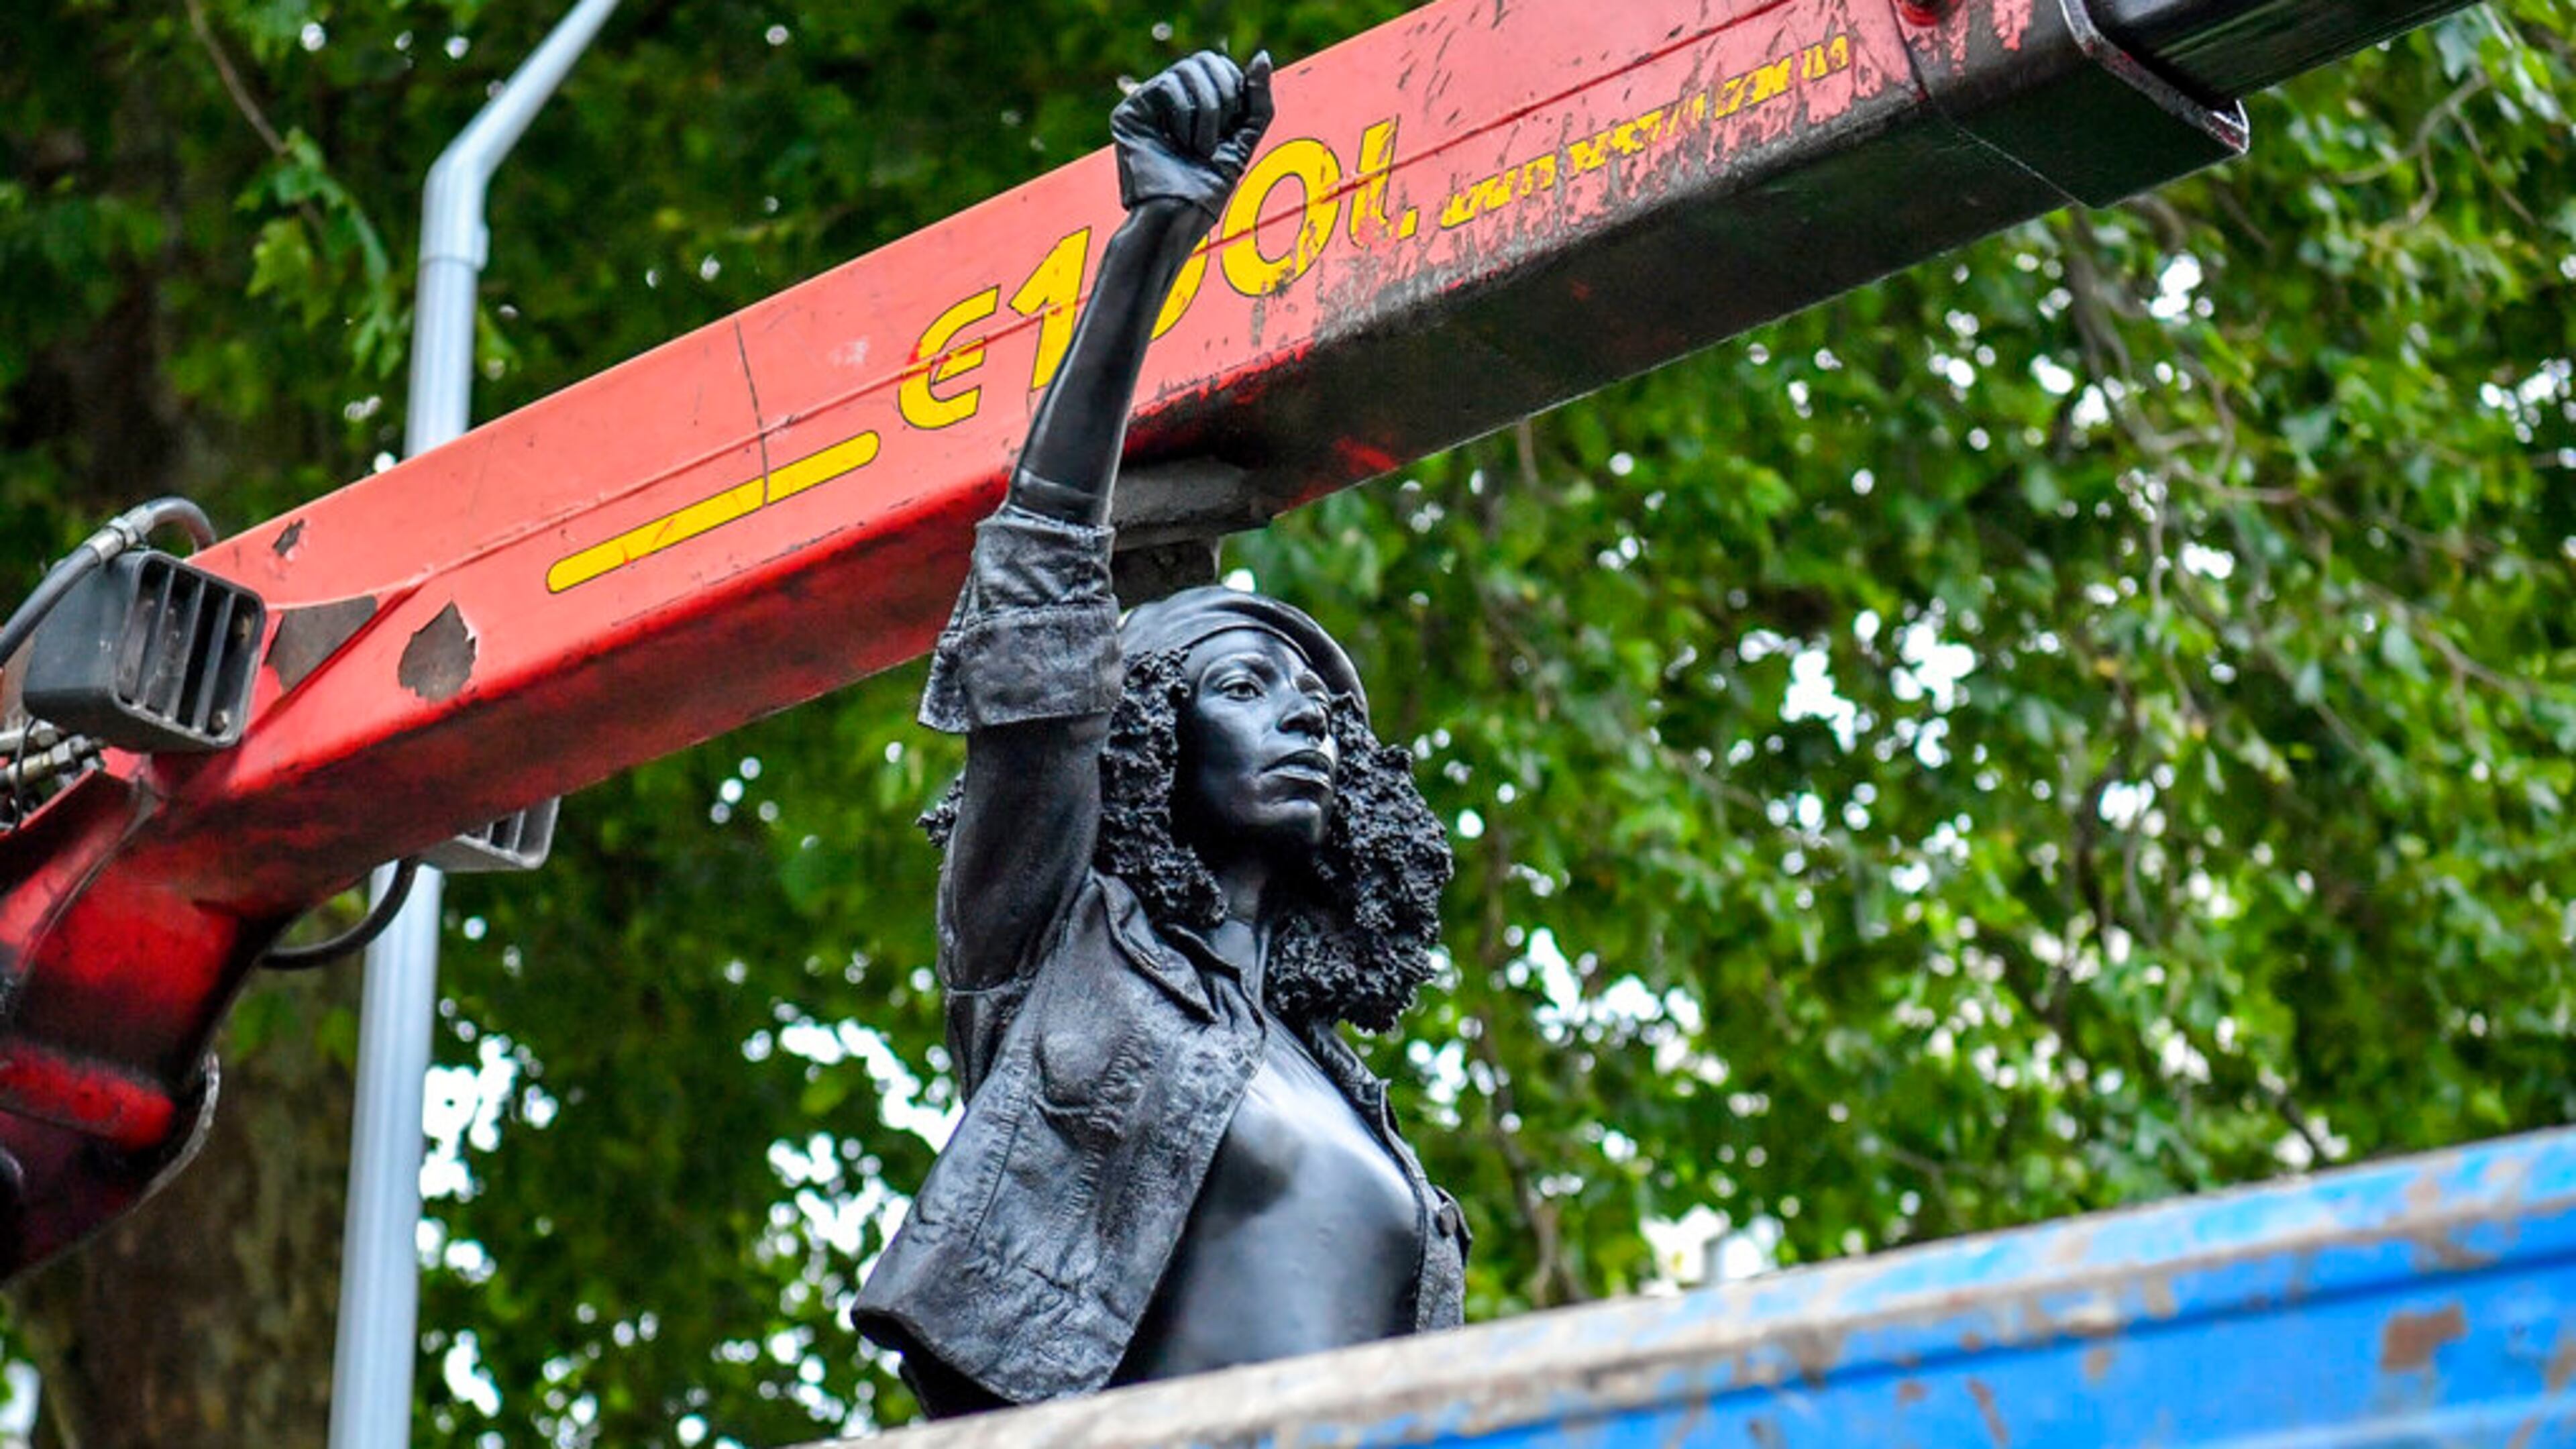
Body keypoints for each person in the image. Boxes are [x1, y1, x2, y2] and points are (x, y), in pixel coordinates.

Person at [849, 50, 1468, 1416]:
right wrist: (1155, 243)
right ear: (1148, 748)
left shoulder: (1359, 1107)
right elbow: (1041, 604)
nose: (1303, 709)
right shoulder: (1056, 961)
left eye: (1320, 705)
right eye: (1244, 683)